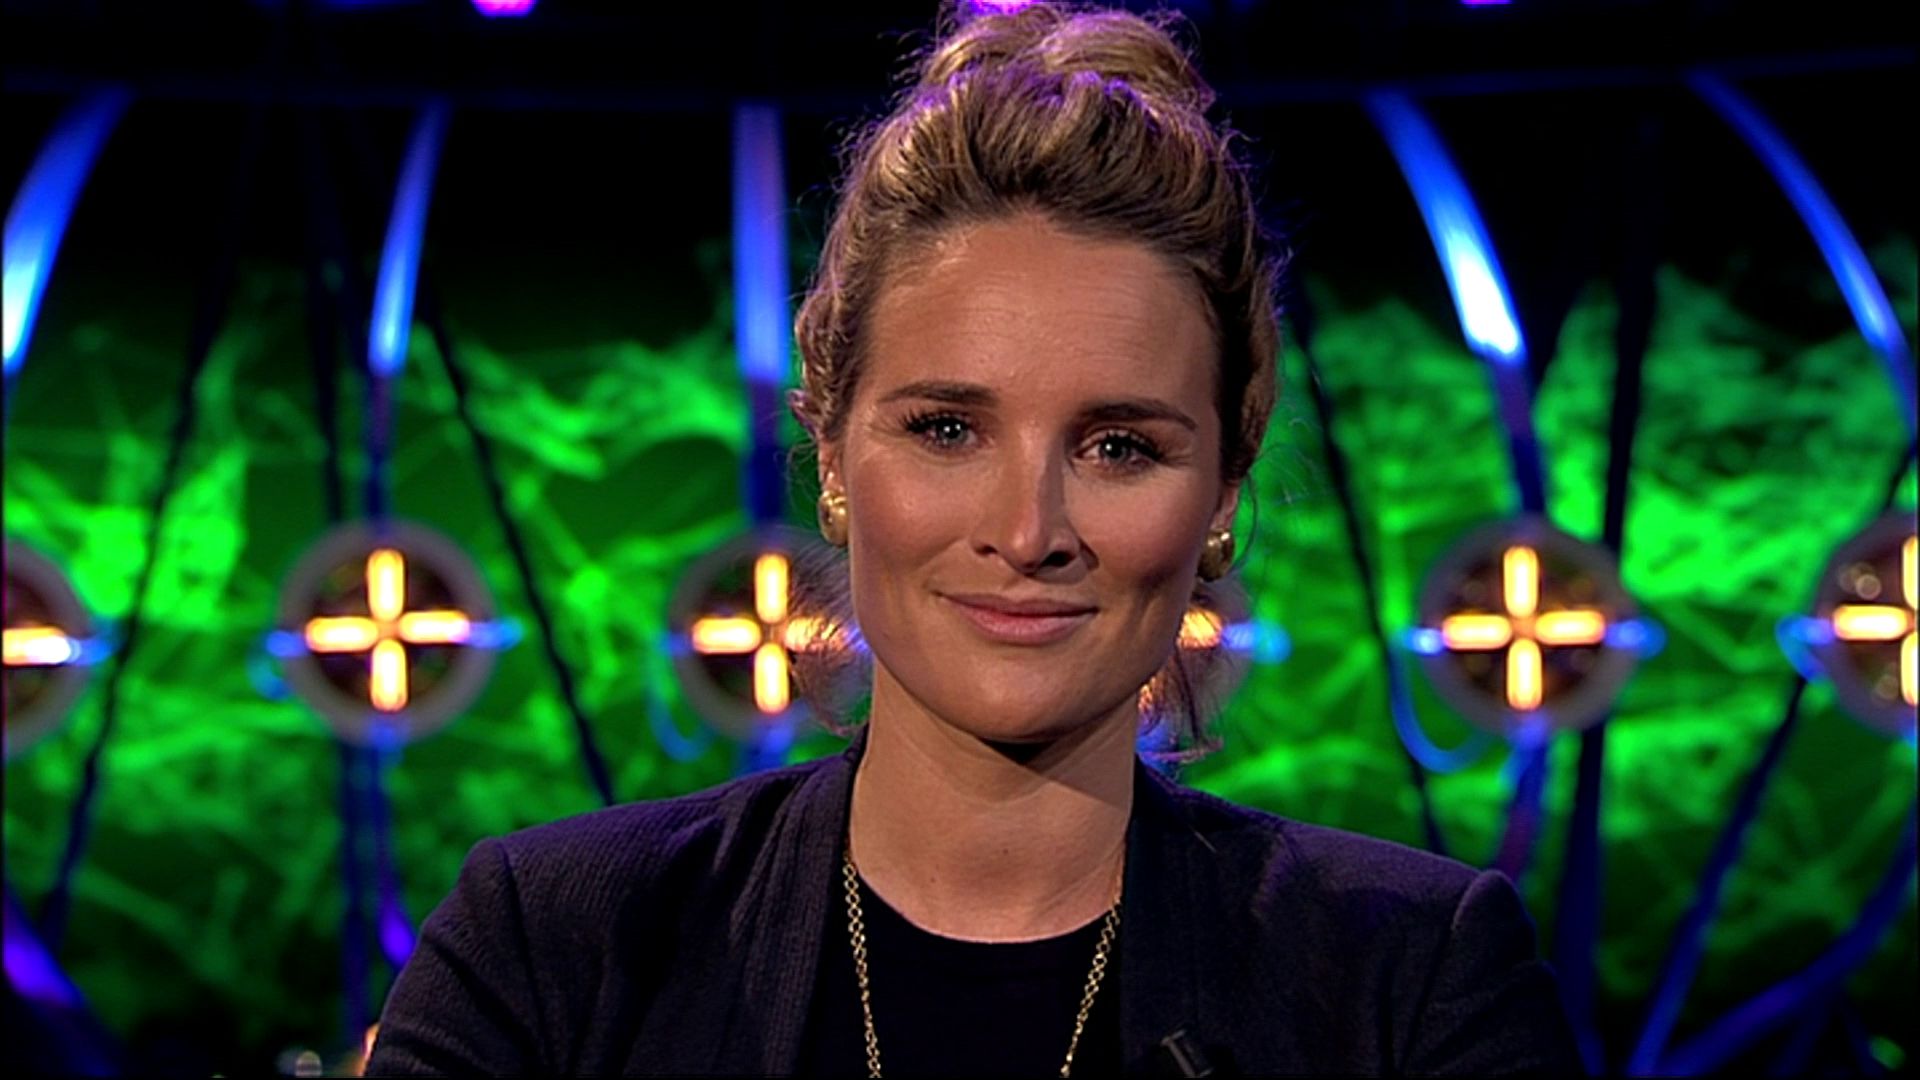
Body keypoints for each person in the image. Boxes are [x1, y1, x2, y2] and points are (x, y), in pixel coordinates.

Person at [365, 3, 1584, 1075]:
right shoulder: (551, 952)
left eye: (1119, 447)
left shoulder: (1411, 984)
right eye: (947, 429)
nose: (1026, 530)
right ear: (832, 456)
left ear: (1222, 492)